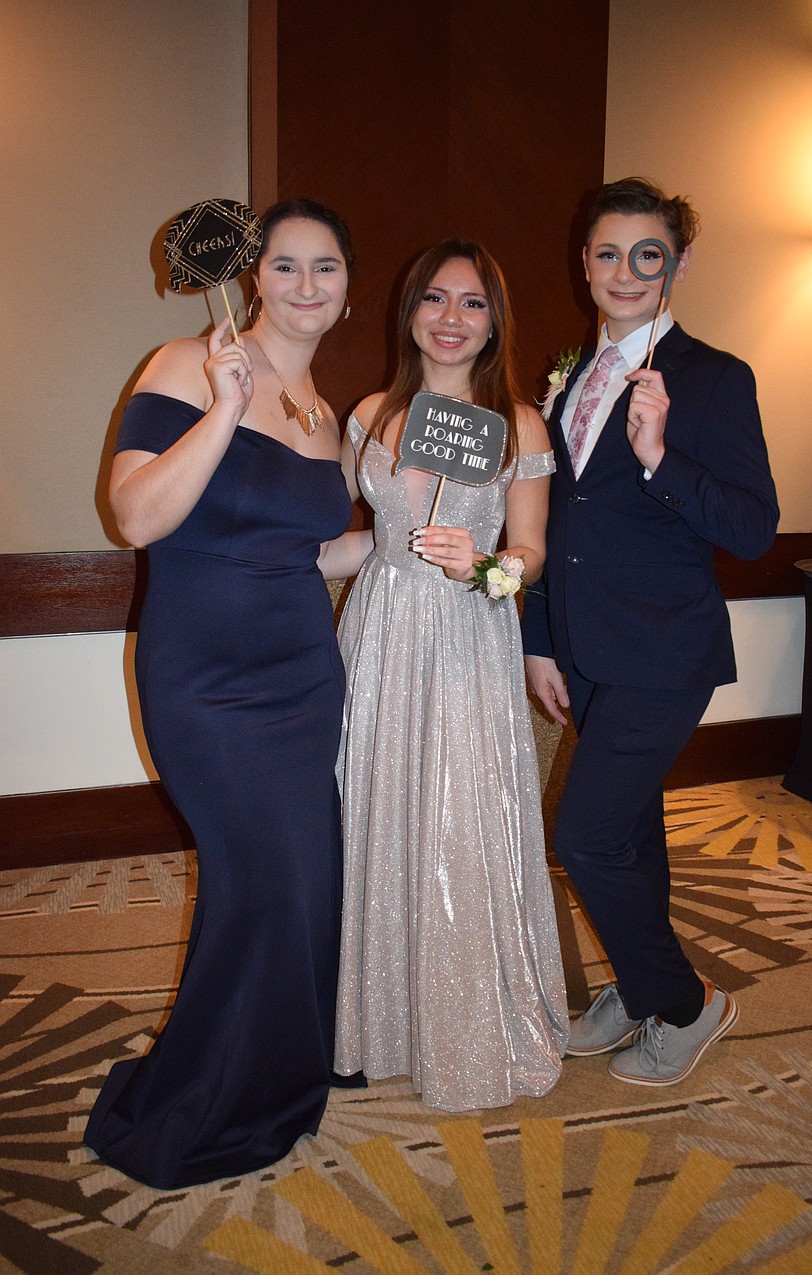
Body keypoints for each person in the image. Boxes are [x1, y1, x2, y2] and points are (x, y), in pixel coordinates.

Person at [85, 199, 370, 1188]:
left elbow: (314, 550)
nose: (304, 286)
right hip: (204, 678)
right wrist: (219, 407)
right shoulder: (181, 362)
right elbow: (133, 518)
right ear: (255, 278)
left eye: (324, 269)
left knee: (304, 883)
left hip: (300, 673)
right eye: (285, 267)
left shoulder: (325, 416)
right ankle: (205, 1100)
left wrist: (413, 547)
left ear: (344, 291)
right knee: (271, 882)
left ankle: (276, 1083)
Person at [522, 178, 779, 1086]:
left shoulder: (714, 377)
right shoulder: (570, 378)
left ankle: (684, 1002)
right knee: (630, 831)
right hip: (587, 649)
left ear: (677, 263)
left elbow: (753, 527)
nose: (624, 271)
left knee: (587, 835)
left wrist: (663, 457)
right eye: (606, 253)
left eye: (647, 254)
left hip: (666, 652)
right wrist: (539, 638)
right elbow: (556, 522)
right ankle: (636, 988)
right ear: (583, 262)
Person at [333, 240, 569, 1111]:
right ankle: (369, 1016)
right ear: (410, 311)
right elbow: (367, 536)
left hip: (466, 635)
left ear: (494, 321)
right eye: (434, 298)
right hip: (383, 626)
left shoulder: (519, 424)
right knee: (373, 805)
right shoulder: (368, 414)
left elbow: (531, 555)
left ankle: (466, 1023)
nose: (450, 318)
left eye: (471, 303)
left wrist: (484, 563)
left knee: (458, 817)